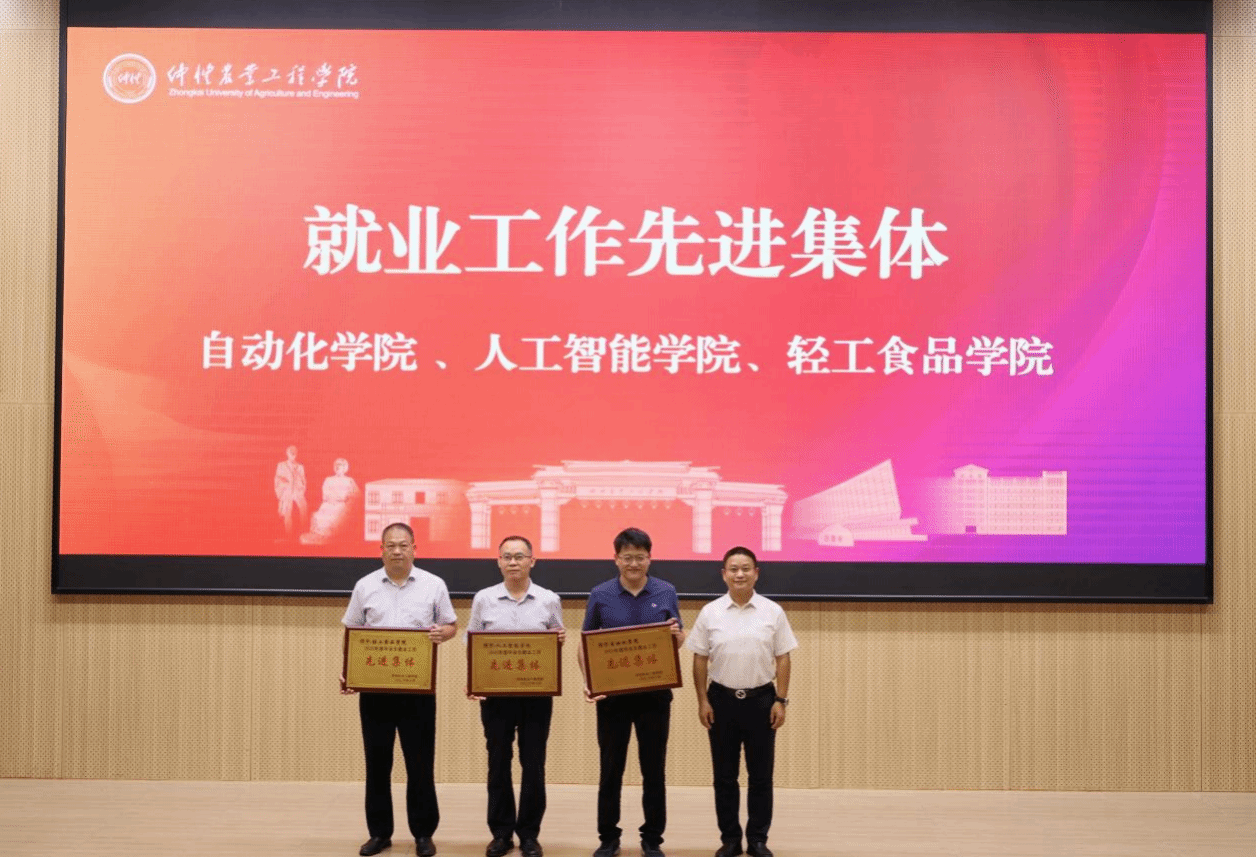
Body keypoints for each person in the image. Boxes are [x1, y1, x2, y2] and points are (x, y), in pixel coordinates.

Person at [342, 522, 457, 858]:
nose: (396, 551)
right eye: (390, 545)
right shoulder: (365, 586)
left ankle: (423, 833)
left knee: (420, 763)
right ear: (381, 550)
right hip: (375, 691)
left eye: (403, 545)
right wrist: (348, 671)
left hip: (417, 690)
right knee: (377, 763)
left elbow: (451, 625)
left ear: (414, 549)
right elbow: (352, 631)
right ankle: (379, 833)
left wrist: (444, 633)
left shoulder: (434, 584)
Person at [578, 527, 685, 858]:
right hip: (612, 698)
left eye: (640, 557)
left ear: (649, 558)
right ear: (616, 559)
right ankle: (608, 837)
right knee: (611, 769)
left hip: (655, 696)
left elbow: (679, 638)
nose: (634, 563)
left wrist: (676, 637)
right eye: (627, 557)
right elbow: (585, 643)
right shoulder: (600, 593)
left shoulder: (666, 591)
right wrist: (589, 681)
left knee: (653, 769)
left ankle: (652, 838)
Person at [685, 547, 797, 858]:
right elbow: (699, 658)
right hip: (721, 701)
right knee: (724, 776)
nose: (739, 574)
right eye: (733, 569)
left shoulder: (772, 611)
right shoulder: (710, 612)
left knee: (761, 776)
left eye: (746, 568)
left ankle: (758, 839)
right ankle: (730, 839)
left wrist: (781, 700)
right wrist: (702, 700)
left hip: (762, 701)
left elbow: (783, 657)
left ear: (756, 573)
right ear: (723, 574)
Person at [465, 535, 565, 858]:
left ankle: (530, 835)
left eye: (519, 556)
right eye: (506, 556)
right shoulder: (484, 599)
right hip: (496, 696)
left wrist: (558, 639)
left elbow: (556, 640)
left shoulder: (549, 599)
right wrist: (474, 680)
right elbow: (472, 643)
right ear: (498, 562)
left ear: (532, 561)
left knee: (533, 764)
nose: (513, 562)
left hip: (536, 696)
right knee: (498, 763)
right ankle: (501, 833)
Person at [302, 457, 360, 544]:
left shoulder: (349, 480)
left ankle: (331, 538)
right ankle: (321, 536)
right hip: (328, 503)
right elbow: (325, 492)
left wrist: (347, 499)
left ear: (344, 468)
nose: (338, 467)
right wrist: (330, 498)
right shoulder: (329, 479)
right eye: (336, 465)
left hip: (341, 504)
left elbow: (357, 494)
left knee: (336, 517)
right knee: (320, 516)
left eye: (340, 466)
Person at [274, 444, 308, 538]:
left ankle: (304, 532)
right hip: (287, 490)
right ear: (287, 453)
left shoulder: (300, 466)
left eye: (294, 453)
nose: (293, 454)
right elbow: (277, 478)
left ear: (297, 454)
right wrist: (282, 481)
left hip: (297, 490)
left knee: (304, 508)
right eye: (291, 452)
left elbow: (303, 479)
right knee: (287, 512)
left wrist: (301, 488)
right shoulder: (282, 465)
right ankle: (289, 535)